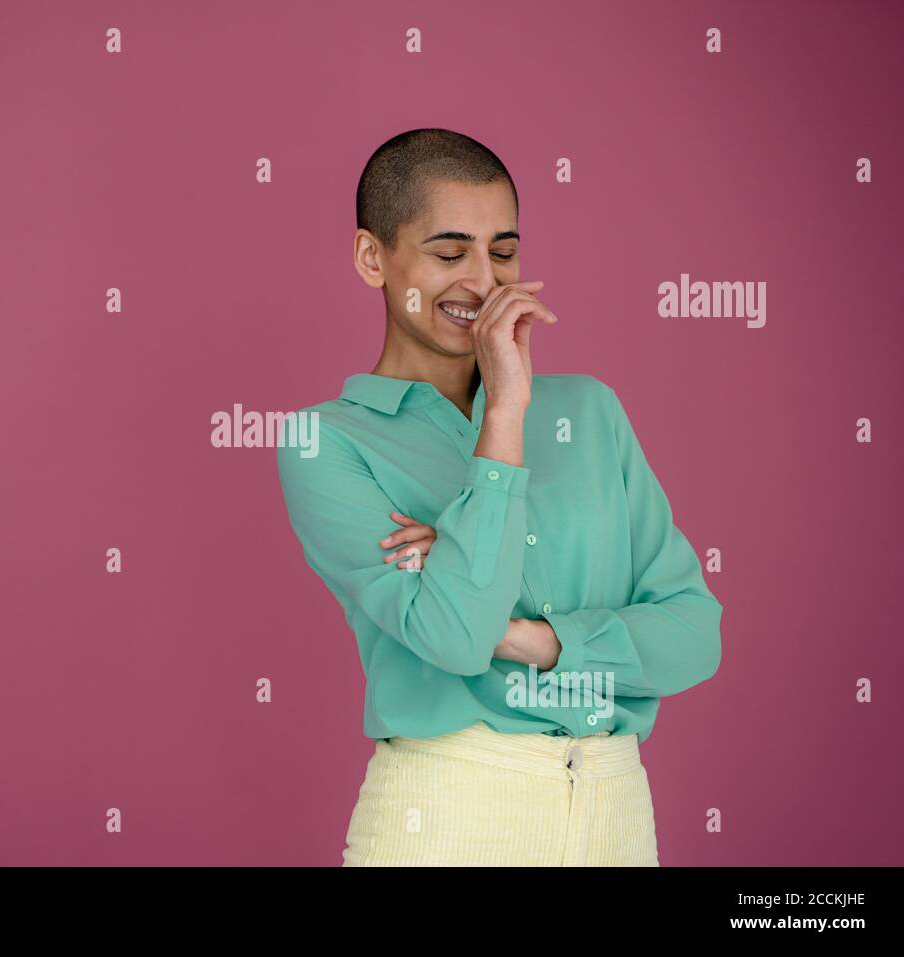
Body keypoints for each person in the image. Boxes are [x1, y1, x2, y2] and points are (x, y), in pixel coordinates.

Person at [275, 128, 723, 866]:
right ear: (372, 258)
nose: (483, 282)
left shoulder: (591, 412)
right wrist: (506, 417)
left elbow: (695, 633)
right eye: (450, 254)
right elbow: (453, 636)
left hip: (615, 814)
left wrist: (532, 640)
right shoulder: (326, 443)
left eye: (504, 252)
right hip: (449, 815)